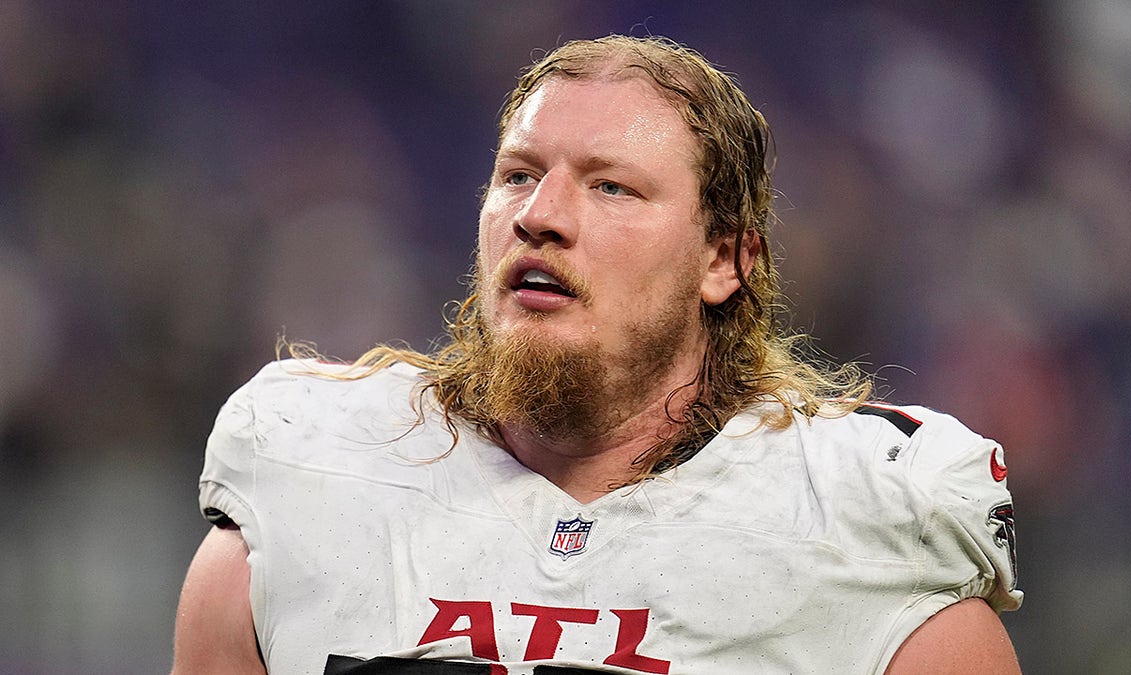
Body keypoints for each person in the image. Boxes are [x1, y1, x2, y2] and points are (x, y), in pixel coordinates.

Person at [172, 35, 1022, 674]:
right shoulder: (308, 496)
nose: (540, 214)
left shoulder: (871, 542)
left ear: (725, 258)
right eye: (517, 175)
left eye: (611, 186)